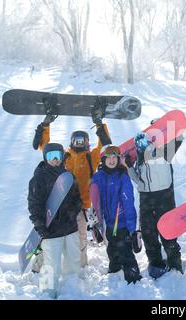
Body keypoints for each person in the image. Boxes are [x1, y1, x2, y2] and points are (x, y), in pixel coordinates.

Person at [32, 97, 112, 270]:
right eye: (76, 141)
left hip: (81, 206)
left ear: (87, 143)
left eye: (82, 141)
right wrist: (46, 125)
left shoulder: (92, 156)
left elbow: (105, 145)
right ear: (71, 142)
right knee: (49, 238)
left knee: (80, 237)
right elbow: (45, 148)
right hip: (57, 205)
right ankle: (40, 266)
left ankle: (81, 266)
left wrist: (99, 124)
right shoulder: (64, 156)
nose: (79, 144)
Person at [125, 122, 183, 279]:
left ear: (150, 141)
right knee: (148, 232)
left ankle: (175, 262)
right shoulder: (139, 161)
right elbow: (138, 181)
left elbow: (178, 138)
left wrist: (162, 125)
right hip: (146, 198)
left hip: (164, 196)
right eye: (139, 144)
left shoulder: (163, 152)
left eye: (144, 141)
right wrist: (130, 167)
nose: (141, 145)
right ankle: (155, 262)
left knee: (168, 230)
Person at [28, 143, 82, 299]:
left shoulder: (69, 176)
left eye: (58, 155)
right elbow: (34, 205)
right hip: (51, 230)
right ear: (45, 157)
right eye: (51, 156)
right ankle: (47, 293)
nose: (55, 160)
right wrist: (40, 226)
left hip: (70, 227)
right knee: (51, 265)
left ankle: (70, 289)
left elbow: (77, 198)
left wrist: (74, 210)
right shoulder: (38, 179)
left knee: (73, 260)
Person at [90, 145, 142, 284]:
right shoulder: (98, 177)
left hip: (123, 223)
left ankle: (133, 278)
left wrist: (132, 228)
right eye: (109, 158)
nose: (112, 160)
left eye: (115, 158)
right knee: (112, 249)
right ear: (103, 159)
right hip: (108, 223)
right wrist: (96, 223)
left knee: (125, 251)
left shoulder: (122, 176)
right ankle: (114, 271)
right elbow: (95, 202)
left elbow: (128, 202)